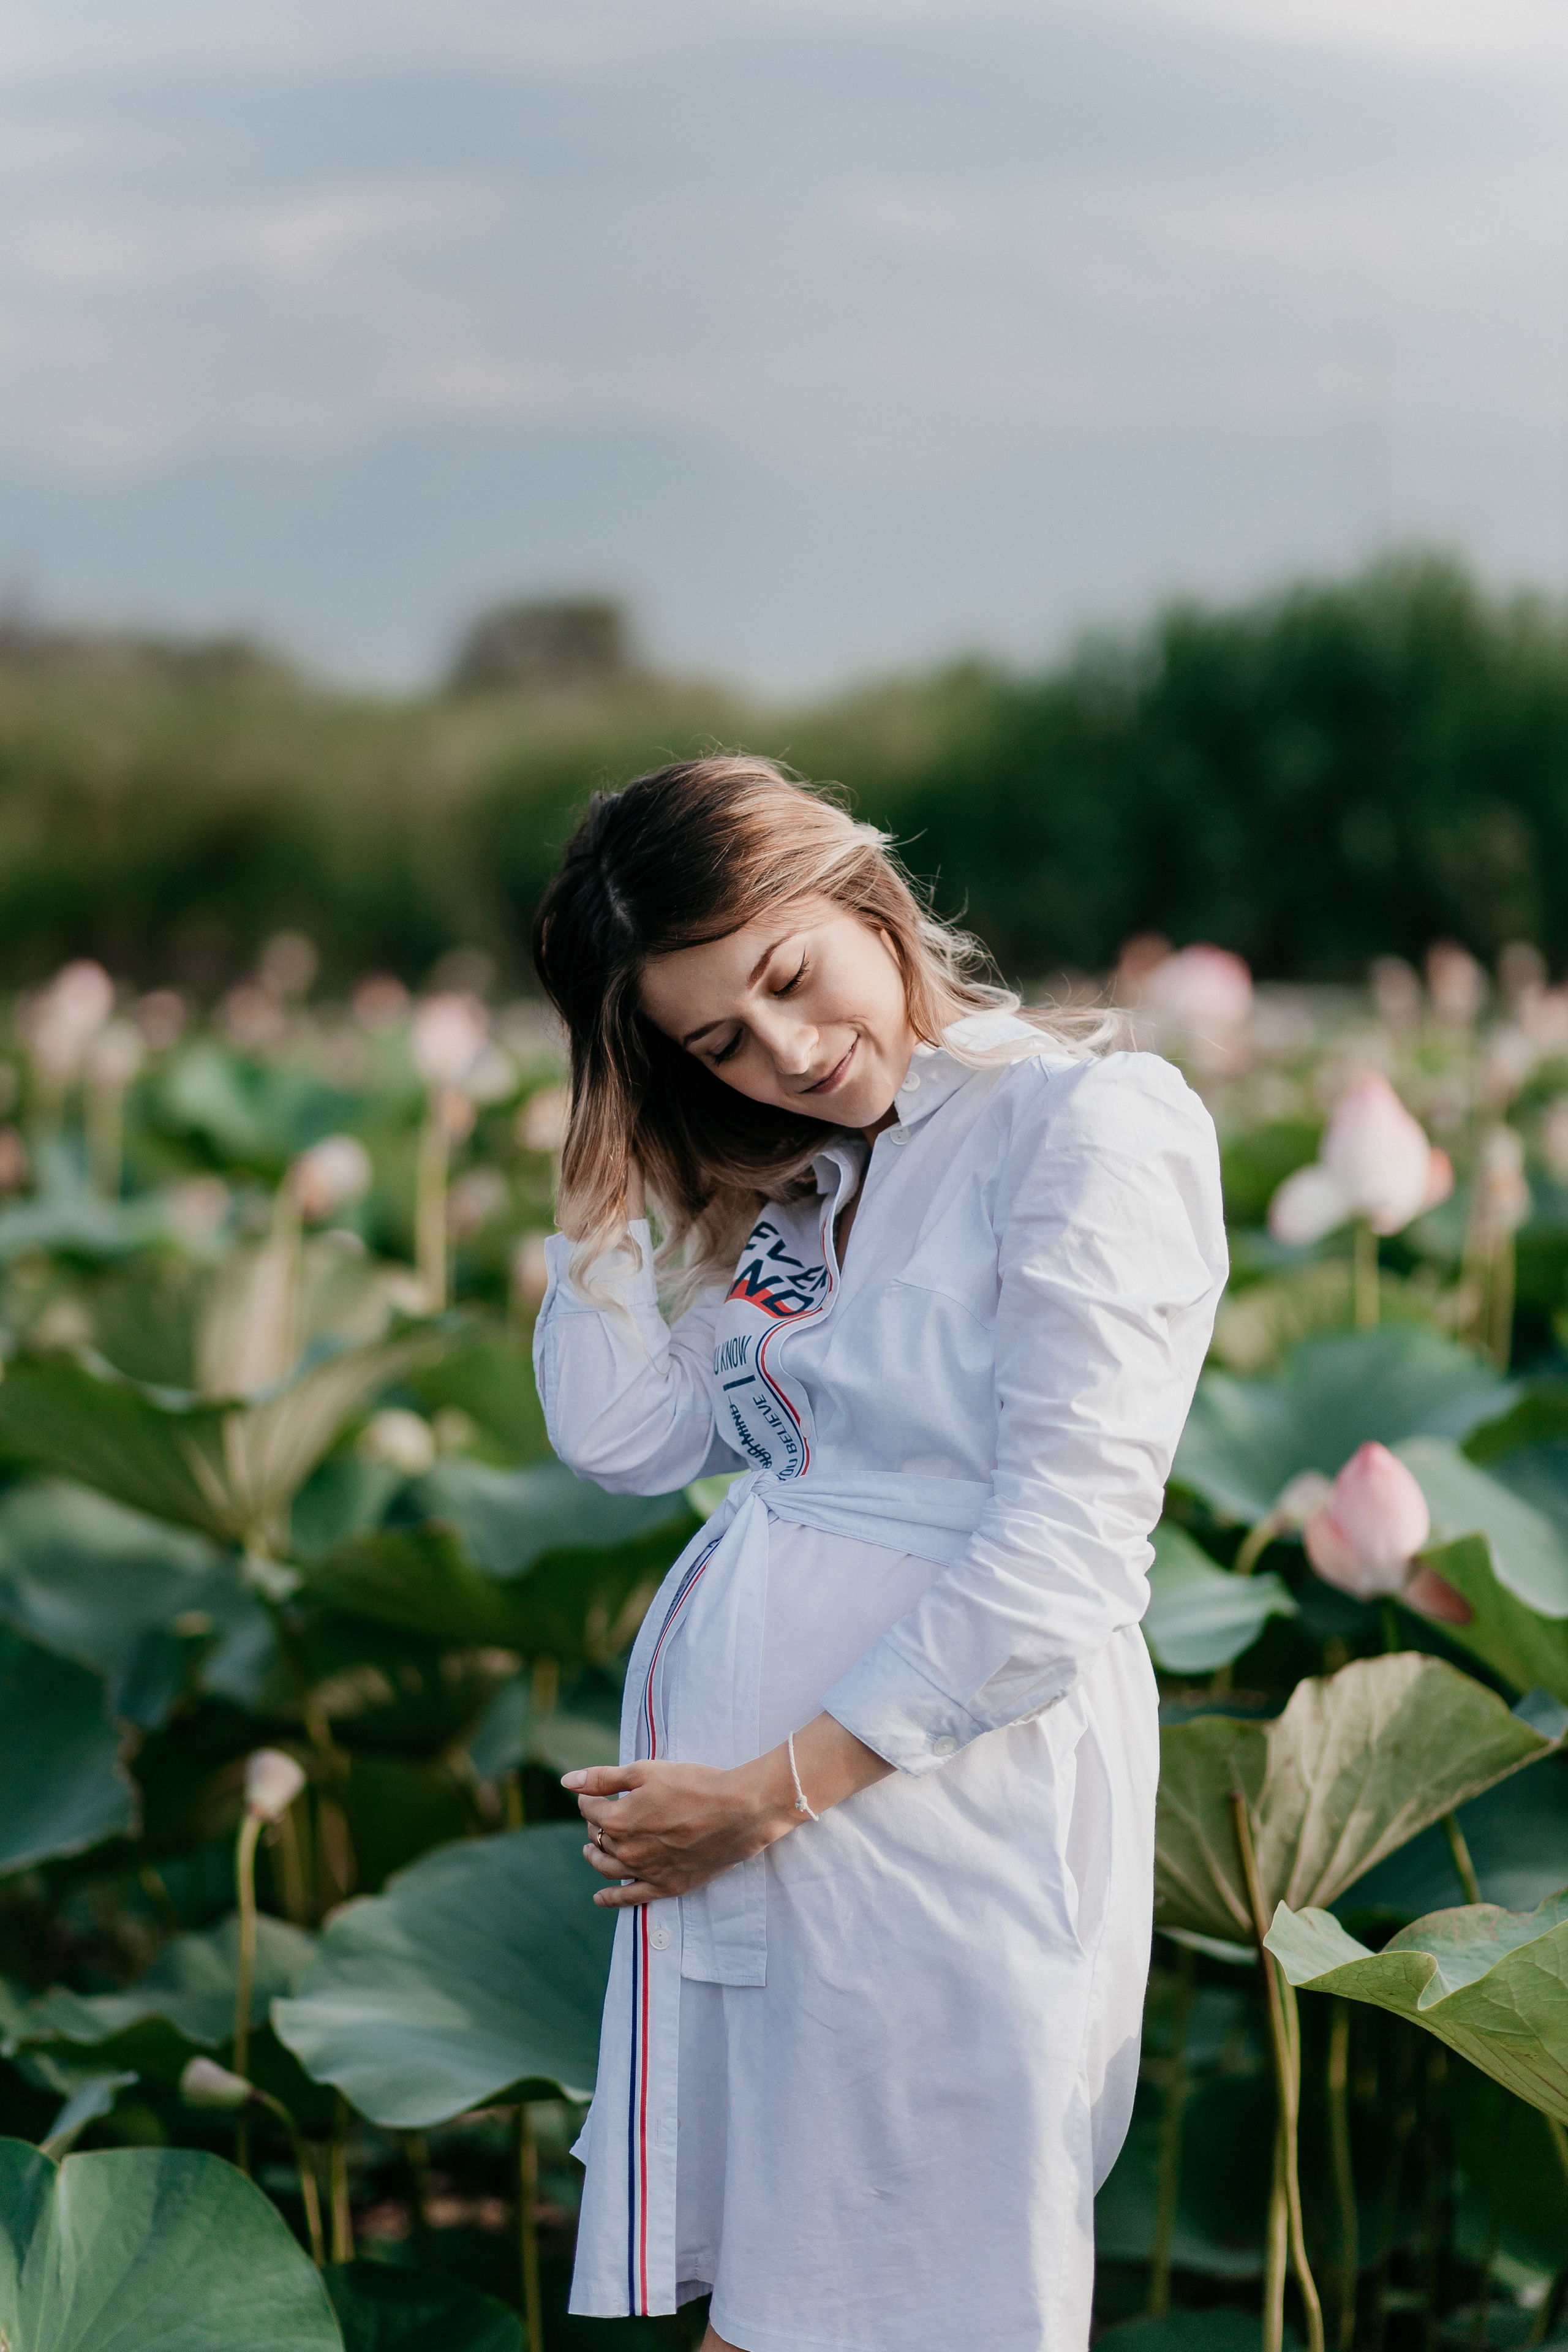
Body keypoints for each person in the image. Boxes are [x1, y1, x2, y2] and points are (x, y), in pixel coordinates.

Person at [529, 755, 1227, 2352]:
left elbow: (1061, 1552)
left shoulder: (1080, 1125)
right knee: (775, 2311)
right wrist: (596, 1210)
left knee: (913, 2304)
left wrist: (760, 1794)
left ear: (859, 890)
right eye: (719, 1042)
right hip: (776, 1839)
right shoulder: (816, 1179)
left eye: (788, 978)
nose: (785, 1053)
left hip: (935, 1807)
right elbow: (625, 1436)